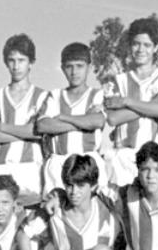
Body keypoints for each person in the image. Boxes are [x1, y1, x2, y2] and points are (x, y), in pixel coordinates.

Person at [103, 18, 158, 186]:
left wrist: (126, 101)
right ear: (130, 46)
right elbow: (113, 119)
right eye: (136, 44)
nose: (141, 49)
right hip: (124, 157)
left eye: (147, 45)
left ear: (156, 47)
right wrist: (156, 101)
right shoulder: (119, 80)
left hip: (157, 159)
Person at [0, 34, 47, 207]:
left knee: (29, 228)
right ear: (5, 62)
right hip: (0, 168)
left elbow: (40, 133)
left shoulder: (42, 97)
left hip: (30, 170)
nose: (16, 66)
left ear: (31, 62)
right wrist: (26, 132)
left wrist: (1, 127)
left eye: (22, 60)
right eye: (11, 60)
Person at [35, 43, 108, 192]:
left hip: (89, 163)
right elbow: (43, 126)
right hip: (58, 164)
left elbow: (98, 121)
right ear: (62, 68)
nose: (74, 72)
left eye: (79, 66)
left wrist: (63, 117)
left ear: (88, 67)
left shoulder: (97, 94)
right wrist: (84, 121)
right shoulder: (55, 95)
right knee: (57, 211)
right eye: (69, 66)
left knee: (93, 211)